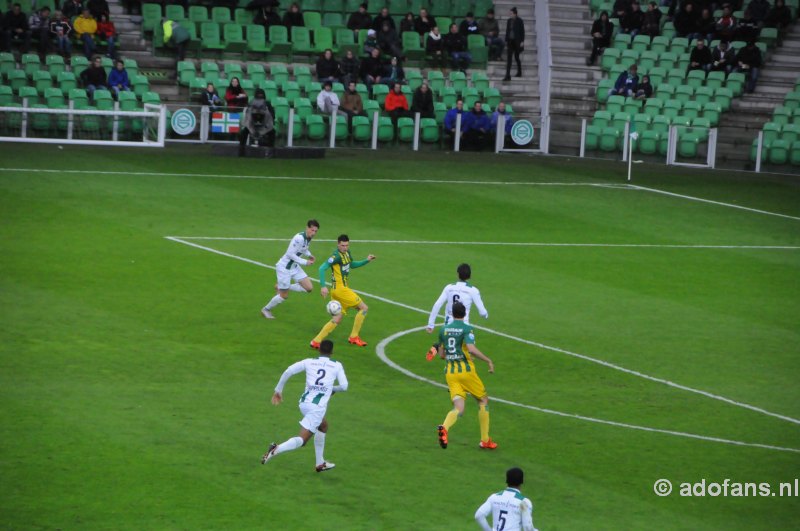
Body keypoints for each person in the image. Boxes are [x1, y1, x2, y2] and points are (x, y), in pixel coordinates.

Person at [260, 339, 347, 473]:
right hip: (316, 408)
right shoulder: (337, 365)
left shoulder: (309, 361)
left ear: (319, 349)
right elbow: (344, 386)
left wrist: (278, 390)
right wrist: (331, 389)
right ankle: (276, 449)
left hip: (304, 403)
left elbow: (289, 371)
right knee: (302, 440)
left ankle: (320, 463)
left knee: (323, 425)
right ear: (332, 352)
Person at [434, 302, 496, 450]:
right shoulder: (467, 329)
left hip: (450, 373)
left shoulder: (443, 330)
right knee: (483, 400)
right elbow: (471, 349)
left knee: (458, 407)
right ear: (465, 313)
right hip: (466, 373)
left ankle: (445, 427)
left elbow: (442, 355)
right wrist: (488, 360)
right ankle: (485, 440)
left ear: (452, 313)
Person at [310, 234, 376, 349]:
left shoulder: (347, 253)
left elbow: (352, 265)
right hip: (341, 290)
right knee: (364, 308)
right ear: (338, 244)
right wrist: (323, 286)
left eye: (346, 245)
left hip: (338, 291)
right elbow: (321, 268)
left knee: (337, 318)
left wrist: (367, 260)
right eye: (342, 245)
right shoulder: (335, 256)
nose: (345, 247)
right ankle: (354, 337)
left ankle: (316, 341)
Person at [425, 262, 489, 355]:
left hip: (449, 324)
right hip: (464, 325)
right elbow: (482, 312)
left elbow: (437, 304)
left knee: (446, 355)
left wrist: (431, 325)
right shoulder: (473, 290)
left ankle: (439, 346)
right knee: (467, 353)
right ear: (470, 276)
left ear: (457, 274)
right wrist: (486, 315)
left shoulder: (449, 287)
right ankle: (439, 347)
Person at [261, 219, 317, 317]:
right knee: (284, 296)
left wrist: (309, 255)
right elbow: (290, 254)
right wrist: (305, 262)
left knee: (309, 288)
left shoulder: (308, 238)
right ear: (307, 228)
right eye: (312, 230)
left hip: (294, 267)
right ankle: (266, 309)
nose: (314, 233)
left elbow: (304, 248)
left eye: (316, 231)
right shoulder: (299, 238)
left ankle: (282, 287)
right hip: (285, 268)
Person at [238, 88, 276, 155]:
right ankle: (241, 151)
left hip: (264, 125)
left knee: (272, 132)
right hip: (252, 125)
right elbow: (248, 120)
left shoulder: (268, 105)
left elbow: (271, 118)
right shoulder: (251, 104)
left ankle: (270, 151)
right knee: (244, 132)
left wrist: (261, 131)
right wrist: (253, 131)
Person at [503, 7, 524, 81]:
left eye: (511, 13)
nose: (510, 15)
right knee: (509, 59)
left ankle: (519, 72)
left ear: (515, 14)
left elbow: (522, 31)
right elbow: (507, 31)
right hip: (510, 41)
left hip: (517, 42)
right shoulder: (509, 21)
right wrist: (506, 40)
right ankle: (507, 75)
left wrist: (522, 41)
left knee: (516, 57)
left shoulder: (520, 21)